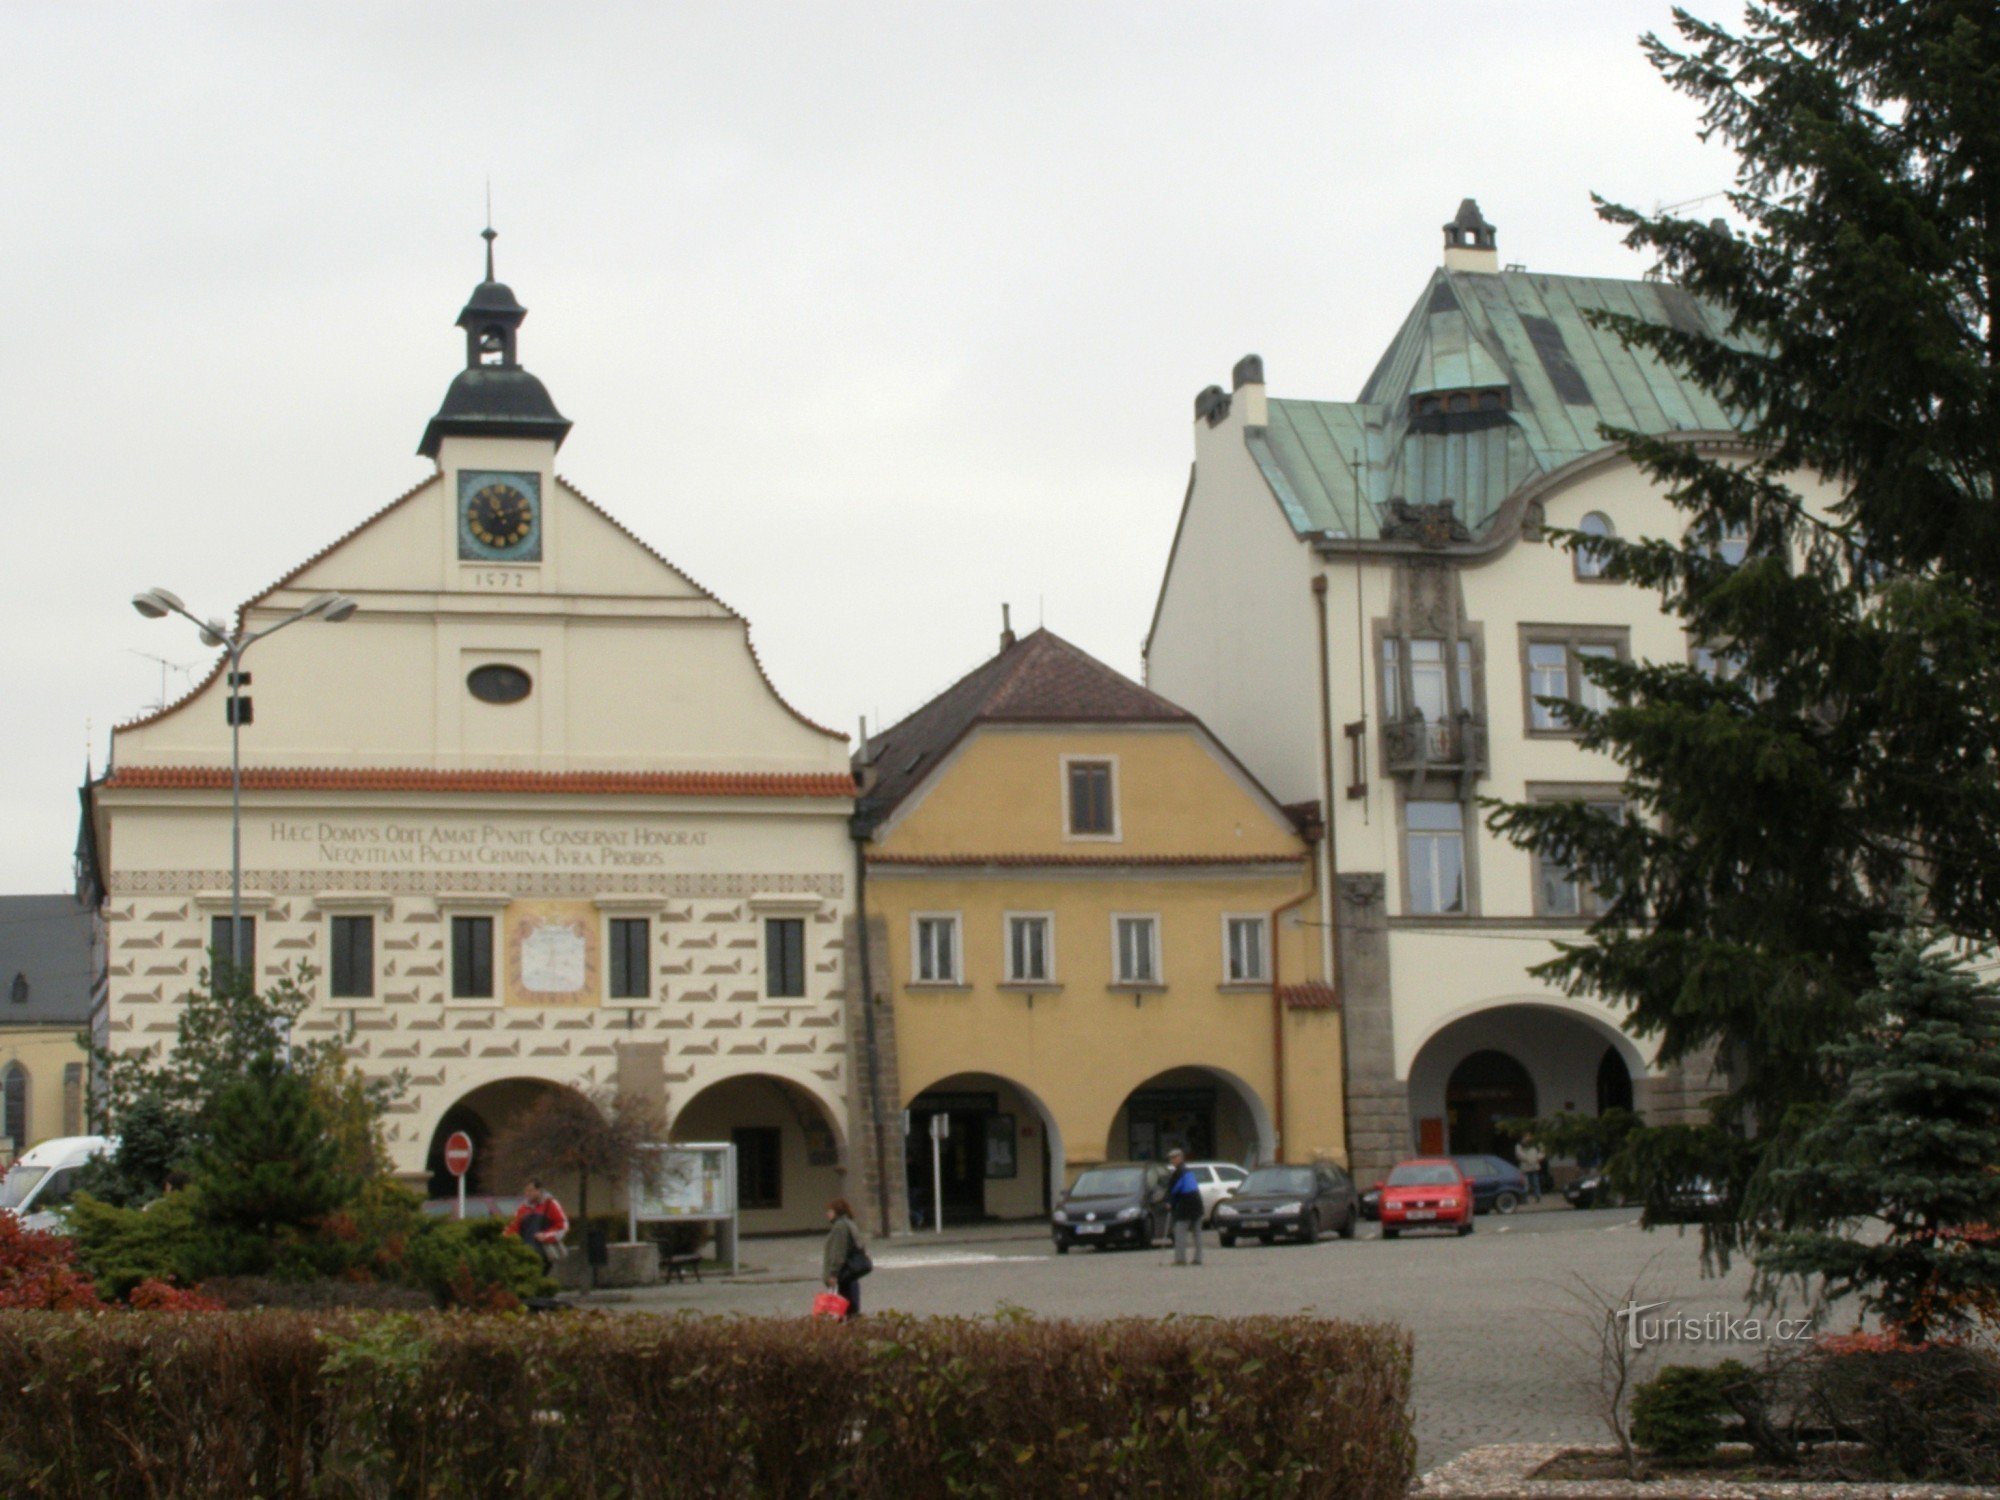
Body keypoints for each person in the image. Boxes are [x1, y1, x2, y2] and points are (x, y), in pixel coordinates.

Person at [503, 1180, 569, 1267]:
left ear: (539, 1190)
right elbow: (513, 1227)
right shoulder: (523, 1208)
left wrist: (545, 1236)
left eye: (530, 1190)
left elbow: (563, 1226)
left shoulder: (550, 1204)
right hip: (525, 1254)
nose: (527, 1193)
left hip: (544, 1254)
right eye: (526, 1191)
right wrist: (503, 1239)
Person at [822, 1196, 868, 1319]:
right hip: (851, 1273)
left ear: (837, 1211)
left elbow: (838, 1252)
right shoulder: (849, 1223)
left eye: (829, 1211)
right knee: (852, 1309)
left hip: (844, 1274)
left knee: (842, 1310)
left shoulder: (840, 1226)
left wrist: (833, 1273)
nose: (827, 1214)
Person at [1164, 1148, 1204, 1266]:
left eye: (1175, 1157)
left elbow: (1175, 1190)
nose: (1172, 1160)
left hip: (1186, 1205)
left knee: (1180, 1232)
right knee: (1197, 1233)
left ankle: (1180, 1259)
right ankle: (1198, 1258)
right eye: (1171, 1158)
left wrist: (1170, 1202)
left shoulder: (1178, 1173)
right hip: (1197, 1204)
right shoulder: (1189, 1171)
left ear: (1181, 1158)